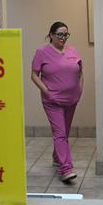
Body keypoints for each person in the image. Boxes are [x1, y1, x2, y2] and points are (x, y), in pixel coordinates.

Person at [31, 22, 83, 182]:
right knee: (60, 134)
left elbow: (80, 72)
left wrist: (79, 90)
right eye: (59, 34)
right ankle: (66, 169)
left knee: (64, 132)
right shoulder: (42, 52)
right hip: (52, 101)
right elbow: (34, 75)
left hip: (71, 99)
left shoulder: (73, 51)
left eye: (65, 35)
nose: (63, 38)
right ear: (51, 35)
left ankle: (56, 158)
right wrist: (47, 92)